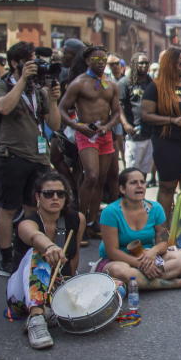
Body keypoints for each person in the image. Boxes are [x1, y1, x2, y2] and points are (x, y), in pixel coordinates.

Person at [0, 42, 63, 275]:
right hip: (12, 154)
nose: (35, 66)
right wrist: (22, 81)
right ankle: (6, 258)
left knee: (35, 208)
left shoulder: (38, 91)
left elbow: (54, 124)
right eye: (30, 61)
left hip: (39, 157)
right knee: (8, 208)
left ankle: (30, 253)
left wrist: (52, 100)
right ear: (15, 63)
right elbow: (3, 108)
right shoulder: (1, 86)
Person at [7, 172, 86, 349]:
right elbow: (34, 236)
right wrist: (49, 247)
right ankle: (36, 318)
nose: (55, 198)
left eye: (61, 194)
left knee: (114, 286)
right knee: (39, 253)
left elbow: (74, 255)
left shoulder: (77, 219)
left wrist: (71, 284)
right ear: (38, 197)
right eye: (48, 194)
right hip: (22, 293)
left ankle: (50, 311)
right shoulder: (27, 223)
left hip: (57, 286)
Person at [95, 167, 181, 290]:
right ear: (122, 189)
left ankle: (141, 282)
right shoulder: (110, 212)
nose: (140, 186)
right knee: (122, 272)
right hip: (120, 259)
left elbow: (164, 243)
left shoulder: (155, 208)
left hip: (148, 256)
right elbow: (112, 252)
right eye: (133, 183)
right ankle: (177, 283)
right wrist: (141, 264)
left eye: (142, 182)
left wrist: (152, 252)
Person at [59, 46, 122, 239]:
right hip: (86, 134)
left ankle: (93, 222)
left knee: (101, 179)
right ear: (87, 61)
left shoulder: (111, 84)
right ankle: (79, 221)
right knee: (92, 175)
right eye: (96, 59)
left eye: (104, 59)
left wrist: (109, 126)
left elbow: (117, 112)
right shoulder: (78, 83)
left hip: (105, 134)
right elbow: (61, 109)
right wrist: (78, 126)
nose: (101, 62)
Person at [141, 48, 181, 219]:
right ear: (170, 65)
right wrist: (171, 120)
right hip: (167, 141)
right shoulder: (155, 86)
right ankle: (163, 226)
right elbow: (146, 115)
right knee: (167, 185)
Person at [118, 52, 155, 181]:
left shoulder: (152, 82)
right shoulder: (125, 82)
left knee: (144, 170)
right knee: (132, 171)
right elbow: (119, 105)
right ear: (134, 64)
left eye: (146, 63)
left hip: (150, 132)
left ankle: (140, 198)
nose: (144, 65)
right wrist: (125, 124)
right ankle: (129, 198)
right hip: (133, 133)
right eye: (141, 63)